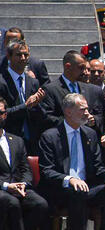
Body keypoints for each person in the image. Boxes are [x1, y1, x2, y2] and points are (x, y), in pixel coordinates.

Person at [38, 93, 105, 230]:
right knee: (78, 191)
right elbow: (46, 170)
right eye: (82, 109)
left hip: (87, 186)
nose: (87, 114)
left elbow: (97, 166)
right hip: (61, 189)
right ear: (68, 112)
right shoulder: (50, 136)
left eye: (87, 109)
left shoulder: (90, 134)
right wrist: (69, 179)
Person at [41, 50, 105, 146]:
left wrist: (93, 120)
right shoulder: (51, 89)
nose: (85, 72)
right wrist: (74, 121)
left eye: (86, 68)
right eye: (81, 68)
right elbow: (47, 118)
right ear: (68, 67)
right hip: (64, 143)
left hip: (89, 145)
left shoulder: (92, 90)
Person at [0, 97, 49, 230]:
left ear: (5, 115)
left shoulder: (17, 140)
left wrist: (23, 184)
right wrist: (7, 186)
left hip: (19, 187)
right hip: (2, 188)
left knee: (40, 204)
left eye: (1, 113)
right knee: (12, 203)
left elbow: (25, 168)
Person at [0, 39, 46, 156]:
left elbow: (42, 114)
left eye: (26, 54)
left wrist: (38, 104)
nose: (23, 58)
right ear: (9, 57)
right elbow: (4, 113)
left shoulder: (33, 82)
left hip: (32, 140)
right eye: (19, 55)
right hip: (9, 138)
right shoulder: (2, 81)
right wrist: (26, 105)